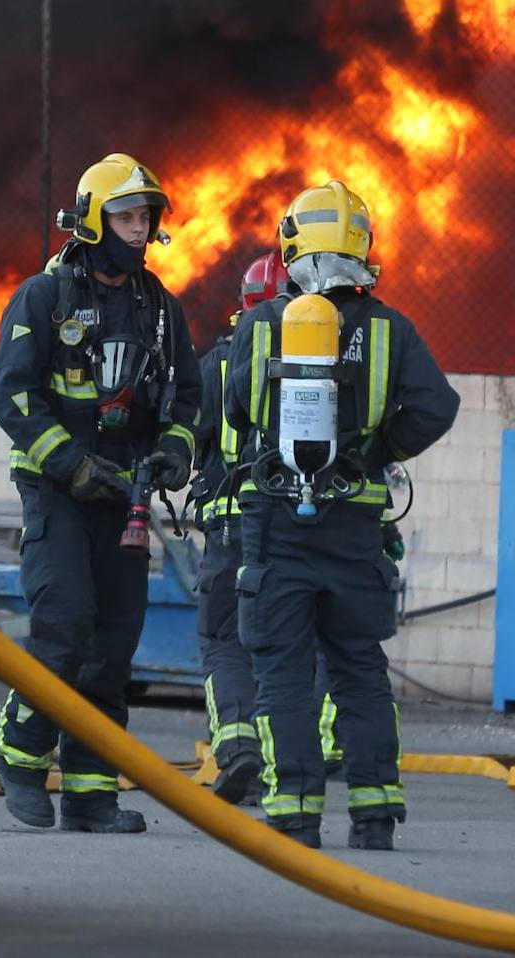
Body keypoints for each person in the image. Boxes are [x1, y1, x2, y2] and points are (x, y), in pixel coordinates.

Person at [225, 180, 460, 851]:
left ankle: (295, 818)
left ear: (292, 245)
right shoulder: (391, 330)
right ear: (362, 246)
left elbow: (239, 409)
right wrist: (373, 451)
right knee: (358, 669)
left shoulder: (265, 323)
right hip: (356, 531)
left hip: (277, 524)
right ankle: (375, 814)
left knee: (284, 675)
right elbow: (437, 407)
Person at [0, 154, 201, 834]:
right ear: (91, 221)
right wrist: (71, 465)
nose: (141, 229)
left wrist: (173, 452)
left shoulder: (162, 312)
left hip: (126, 499)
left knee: (113, 642)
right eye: (128, 215)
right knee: (65, 624)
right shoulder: (44, 298)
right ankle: (20, 756)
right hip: (58, 493)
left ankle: (89, 789)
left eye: (146, 217)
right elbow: (12, 393)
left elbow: (188, 401)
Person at [191, 251, 289, 805]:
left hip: (229, 536)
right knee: (282, 648)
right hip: (294, 534)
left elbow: (189, 438)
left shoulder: (216, 366)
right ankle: (284, 766)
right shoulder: (322, 362)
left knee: (224, 642)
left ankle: (236, 747)